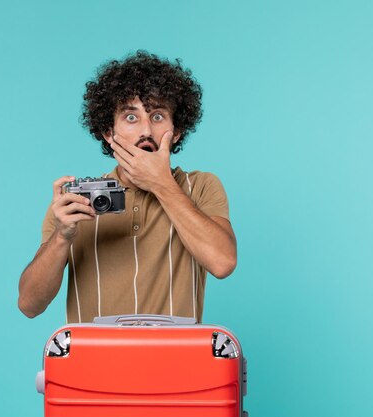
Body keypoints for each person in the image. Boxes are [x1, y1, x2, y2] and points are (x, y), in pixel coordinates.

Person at [18, 51, 237, 323]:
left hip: (176, 362)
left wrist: (161, 184)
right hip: (95, 363)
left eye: (157, 116)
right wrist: (62, 236)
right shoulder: (76, 200)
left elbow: (223, 262)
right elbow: (29, 304)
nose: (146, 130)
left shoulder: (202, 186)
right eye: (131, 118)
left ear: (177, 130)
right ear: (109, 133)